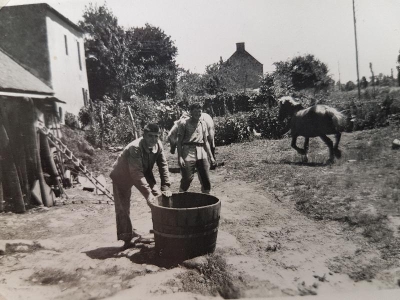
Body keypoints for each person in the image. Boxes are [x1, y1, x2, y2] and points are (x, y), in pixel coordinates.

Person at [110, 123, 172, 249]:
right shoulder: (135, 148)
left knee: (159, 198)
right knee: (123, 208)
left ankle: (161, 229)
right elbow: (135, 173)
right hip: (122, 176)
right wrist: (148, 194)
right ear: (143, 135)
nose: (153, 139)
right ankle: (127, 238)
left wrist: (165, 186)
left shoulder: (158, 145)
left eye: (156, 136)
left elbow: (163, 165)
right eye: (150, 136)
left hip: (143, 172)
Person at [177, 103, 216, 194]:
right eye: (195, 111)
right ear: (190, 112)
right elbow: (179, 142)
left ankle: (206, 198)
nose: (197, 114)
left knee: (205, 178)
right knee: (188, 178)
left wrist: (211, 157)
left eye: (199, 111)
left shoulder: (203, 123)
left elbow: (206, 141)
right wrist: (180, 157)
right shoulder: (184, 123)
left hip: (201, 151)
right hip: (188, 150)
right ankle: (180, 196)